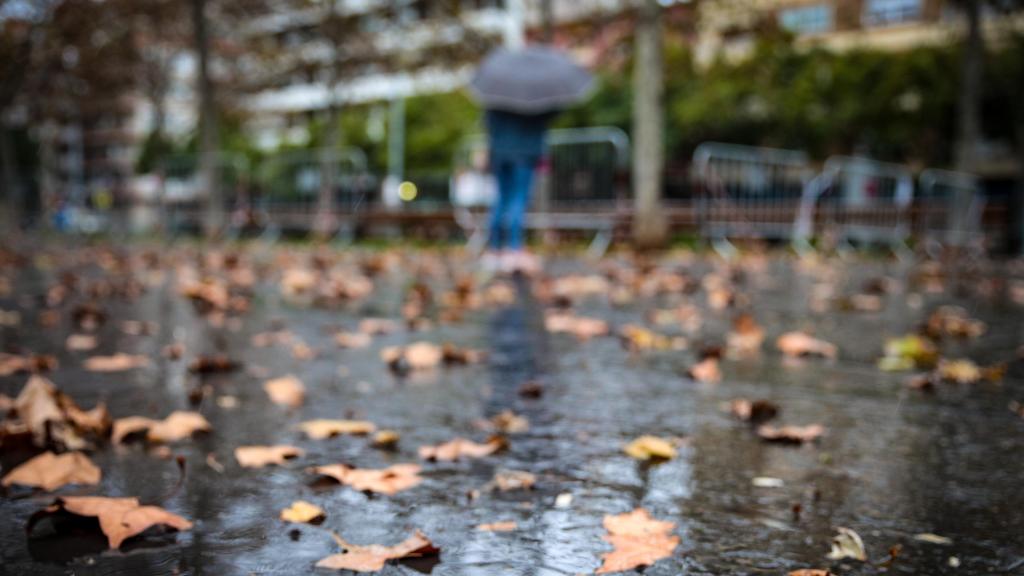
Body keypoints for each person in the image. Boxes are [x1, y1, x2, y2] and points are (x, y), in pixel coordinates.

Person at [483, 109, 555, 274]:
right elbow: (545, 118)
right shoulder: (532, 102)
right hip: (525, 152)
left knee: (501, 199)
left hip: (499, 152)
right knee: (519, 199)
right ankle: (513, 249)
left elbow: (488, 123)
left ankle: (494, 250)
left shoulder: (496, 97)